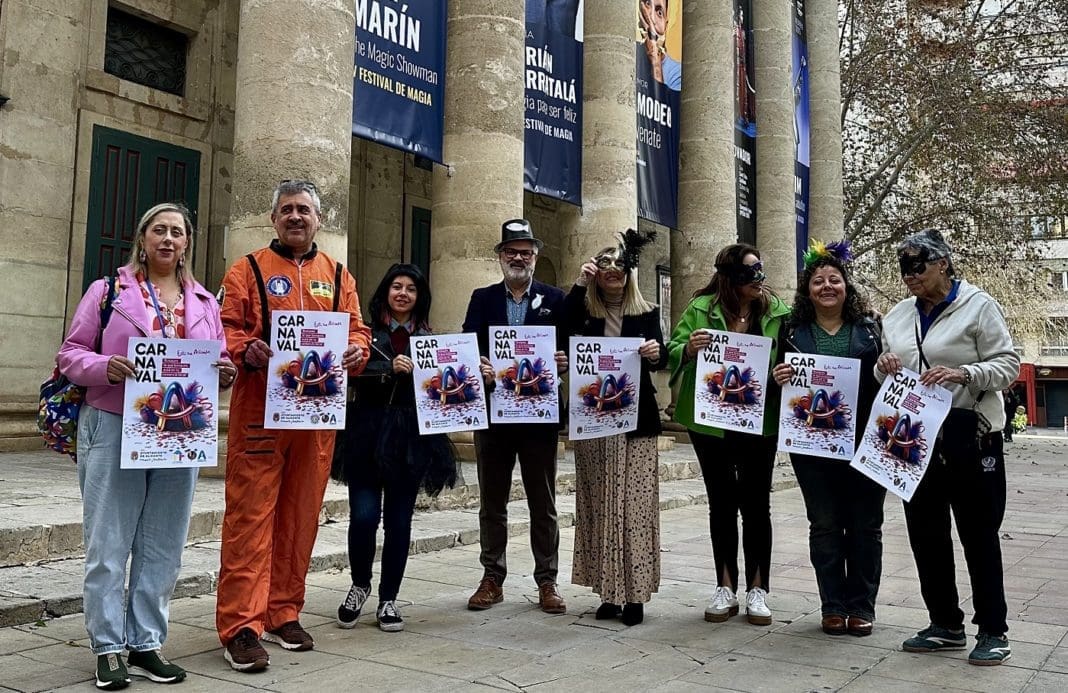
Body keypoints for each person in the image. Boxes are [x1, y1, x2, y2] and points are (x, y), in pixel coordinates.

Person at [57, 202, 236, 689]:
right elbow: (71, 353)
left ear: (187, 244)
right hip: (115, 423)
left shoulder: (205, 302)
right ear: (142, 238)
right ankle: (107, 646)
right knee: (108, 541)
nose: (168, 239)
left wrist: (225, 373)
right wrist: (104, 367)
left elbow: (218, 357)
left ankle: (145, 643)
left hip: (181, 433)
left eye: (177, 232)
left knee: (163, 544)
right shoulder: (107, 292)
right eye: (159, 230)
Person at [215, 180, 371, 672]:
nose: (296, 217)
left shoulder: (339, 275)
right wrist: (245, 349)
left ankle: (283, 611)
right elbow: (224, 327)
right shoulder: (248, 269)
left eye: (304, 209)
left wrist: (357, 351)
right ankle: (241, 625)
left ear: (319, 219)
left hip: (315, 420)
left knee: (301, 518)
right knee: (249, 520)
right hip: (260, 415)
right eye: (287, 209)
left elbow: (357, 329)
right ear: (274, 218)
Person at [876, 229, 1020, 666]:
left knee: (979, 534)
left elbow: (1008, 365)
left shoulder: (978, 305)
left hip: (969, 434)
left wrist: (966, 374)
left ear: (943, 263)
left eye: (917, 265)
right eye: (903, 268)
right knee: (926, 535)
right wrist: (884, 366)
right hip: (913, 438)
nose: (909, 275)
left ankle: (993, 629)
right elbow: (888, 373)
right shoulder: (898, 315)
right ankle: (944, 624)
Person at [667, 243, 790, 626]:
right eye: (751, 273)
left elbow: (794, 358)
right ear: (730, 278)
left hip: (759, 422)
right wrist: (688, 349)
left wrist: (783, 374)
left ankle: (758, 589)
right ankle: (725, 586)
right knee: (720, 503)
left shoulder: (778, 312)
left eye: (761, 270)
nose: (760, 279)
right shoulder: (700, 309)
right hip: (710, 423)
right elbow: (672, 350)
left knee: (757, 505)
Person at [333, 264, 457, 633]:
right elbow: (349, 372)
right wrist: (387, 368)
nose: (403, 294)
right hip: (366, 433)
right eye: (396, 287)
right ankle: (360, 584)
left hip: (411, 439)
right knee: (364, 516)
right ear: (385, 292)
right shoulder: (365, 334)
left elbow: (447, 390)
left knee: (399, 522)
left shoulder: (431, 340)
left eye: (411, 289)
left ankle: (389, 598)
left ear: (420, 297)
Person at [770, 240, 885, 637]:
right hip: (812, 445)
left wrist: (888, 364)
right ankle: (833, 605)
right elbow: (774, 385)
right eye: (818, 281)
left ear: (846, 286)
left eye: (834, 279)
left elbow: (888, 382)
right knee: (824, 525)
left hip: (865, 442)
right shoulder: (790, 332)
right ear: (807, 290)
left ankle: (862, 606)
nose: (827, 286)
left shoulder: (871, 329)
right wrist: (778, 377)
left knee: (866, 526)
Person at [461, 219, 569, 614]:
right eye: (511, 251)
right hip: (493, 414)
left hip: (539, 417)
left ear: (535, 257)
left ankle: (547, 581)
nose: (518, 258)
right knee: (492, 502)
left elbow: (570, 344)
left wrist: (564, 360)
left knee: (544, 502)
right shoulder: (482, 298)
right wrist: (480, 365)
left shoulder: (556, 299)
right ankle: (492, 578)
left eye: (525, 252)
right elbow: (468, 345)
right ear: (500, 256)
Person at [564, 231, 667, 626]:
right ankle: (608, 592)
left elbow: (660, 357)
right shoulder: (583, 312)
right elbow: (557, 328)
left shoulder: (647, 312)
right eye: (604, 264)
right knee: (599, 505)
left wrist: (654, 353)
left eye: (619, 265)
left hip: (636, 423)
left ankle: (635, 595)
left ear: (630, 273)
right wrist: (579, 283)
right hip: (594, 422)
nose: (612, 270)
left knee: (634, 508)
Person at [639, 0, 682, 90]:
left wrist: (655, 62)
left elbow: (664, 98)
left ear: (666, 25)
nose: (652, 18)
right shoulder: (630, 55)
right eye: (648, 4)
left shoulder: (677, 73)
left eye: (659, 13)